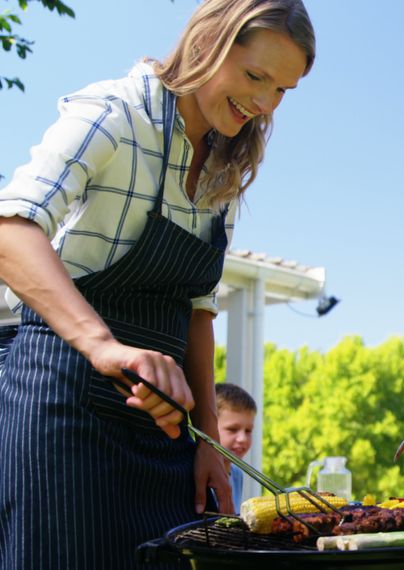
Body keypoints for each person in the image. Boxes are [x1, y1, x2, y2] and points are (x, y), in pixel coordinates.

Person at [0, 1, 314, 567]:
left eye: (282, 91)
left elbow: (196, 310)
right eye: (255, 77)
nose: (264, 104)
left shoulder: (223, 168)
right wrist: (102, 345)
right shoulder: (115, 114)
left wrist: (208, 440)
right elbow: (11, 228)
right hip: (63, 414)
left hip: (165, 434)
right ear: (205, 45)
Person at [216, 382, 258, 512]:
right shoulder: (195, 470)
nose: (243, 439)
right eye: (232, 429)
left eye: (248, 431)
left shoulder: (236, 473)